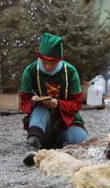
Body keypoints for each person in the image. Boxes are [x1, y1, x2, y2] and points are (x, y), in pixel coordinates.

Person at [20, 33, 88, 166]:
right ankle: (32, 146)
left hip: (67, 124)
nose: (48, 67)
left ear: (59, 60)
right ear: (39, 57)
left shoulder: (70, 72)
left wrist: (58, 103)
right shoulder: (30, 71)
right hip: (43, 128)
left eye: (52, 63)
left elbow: (76, 104)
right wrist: (33, 102)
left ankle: (61, 148)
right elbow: (24, 103)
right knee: (40, 108)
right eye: (44, 62)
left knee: (81, 139)